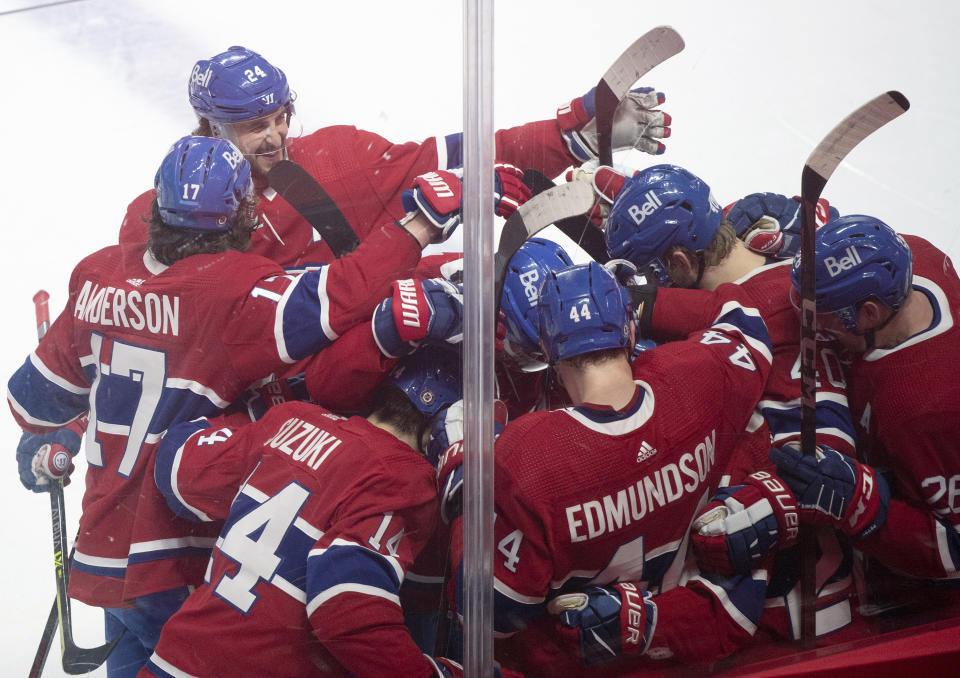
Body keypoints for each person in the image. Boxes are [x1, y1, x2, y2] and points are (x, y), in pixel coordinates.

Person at [7, 135, 473, 676]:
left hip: (105, 547)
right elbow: (341, 292)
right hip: (177, 555)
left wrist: (66, 428)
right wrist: (419, 226)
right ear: (242, 214)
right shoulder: (233, 292)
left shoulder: (96, 275)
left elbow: (30, 406)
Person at [429, 261, 774, 676]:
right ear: (630, 330)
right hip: (679, 650)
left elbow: (487, 613)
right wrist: (654, 301)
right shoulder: (696, 373)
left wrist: (467, 480)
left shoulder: (524, 453)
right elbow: (746, 318)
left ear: (549, 351)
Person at [601, 164, 861, 642]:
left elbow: (820, 458)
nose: (655, 287)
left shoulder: (756, 321)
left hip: (784, 602)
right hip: (832, 584)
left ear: (680, 263)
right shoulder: (793, 268)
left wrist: (645, 307)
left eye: (658, 276)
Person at [118, 45, 671, 269]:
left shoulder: (335, 155)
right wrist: (63, 425)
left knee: (494, 282)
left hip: (360, 369)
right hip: (254, 418)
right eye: (254, 126)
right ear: (209, 126)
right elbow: (127, 319)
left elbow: (459, 151)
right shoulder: (165, 208)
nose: (276, 137)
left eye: (280, 117)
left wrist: (566, 134)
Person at [137, 347, 479, 678]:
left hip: (175, 657)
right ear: (443, 425)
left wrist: (242, 418)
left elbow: (179, 468)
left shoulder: (292, 417)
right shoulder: (404, 477)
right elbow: (346, 602)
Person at [769, 215, 960, 587]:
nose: (815, 325)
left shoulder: (926, 411)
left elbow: (954, 551)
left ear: (869, 313)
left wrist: (861, 502)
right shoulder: (918, 253)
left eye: (824, 314)